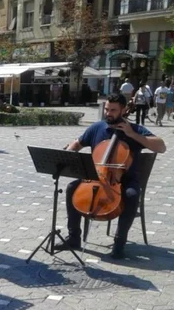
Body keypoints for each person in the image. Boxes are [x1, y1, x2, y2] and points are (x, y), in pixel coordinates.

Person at [56, 93, 166, 259]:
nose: (108, 113)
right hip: (96, 176)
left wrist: (133, 135)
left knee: (131, 195)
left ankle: (119, 243)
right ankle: (73, 238)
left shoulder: (134, 129)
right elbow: (78, 143)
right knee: (72, 187)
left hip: (125, 180)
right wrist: (68, 152)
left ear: (123, 110)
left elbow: (161, 147)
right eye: (107, 109)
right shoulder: (97, 127)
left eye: (113, 110)